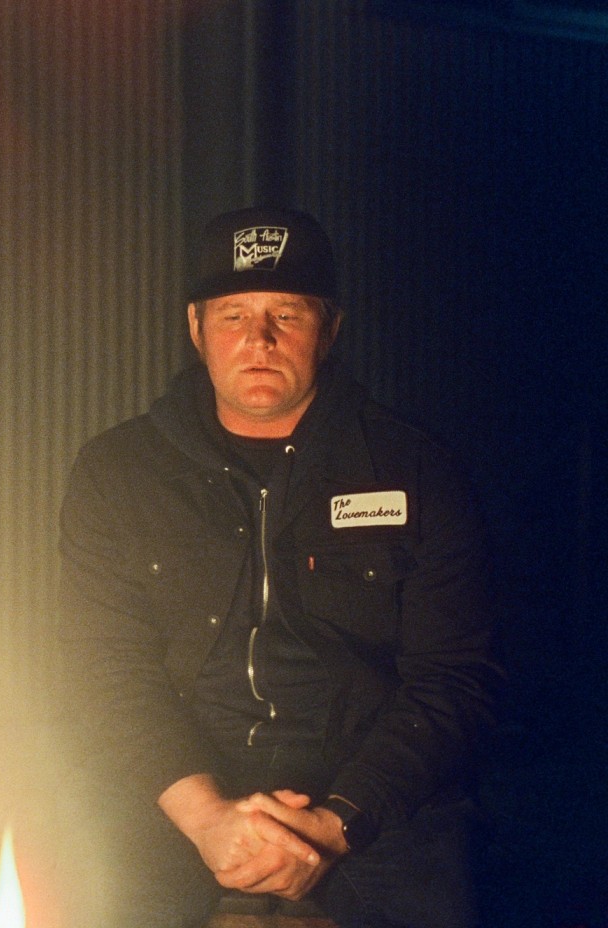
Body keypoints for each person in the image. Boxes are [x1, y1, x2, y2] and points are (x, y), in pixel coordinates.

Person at [56, 207, 501, 927]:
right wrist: (205, 817)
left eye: (286, 315)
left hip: (373, 793)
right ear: (196, 329)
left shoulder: (417, 468)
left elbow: (454, 677)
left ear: (330, 328)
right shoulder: (118, 472)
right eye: (234, 315)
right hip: (176, 784)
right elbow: (102, 667)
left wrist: (334, 823)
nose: (258, 339)